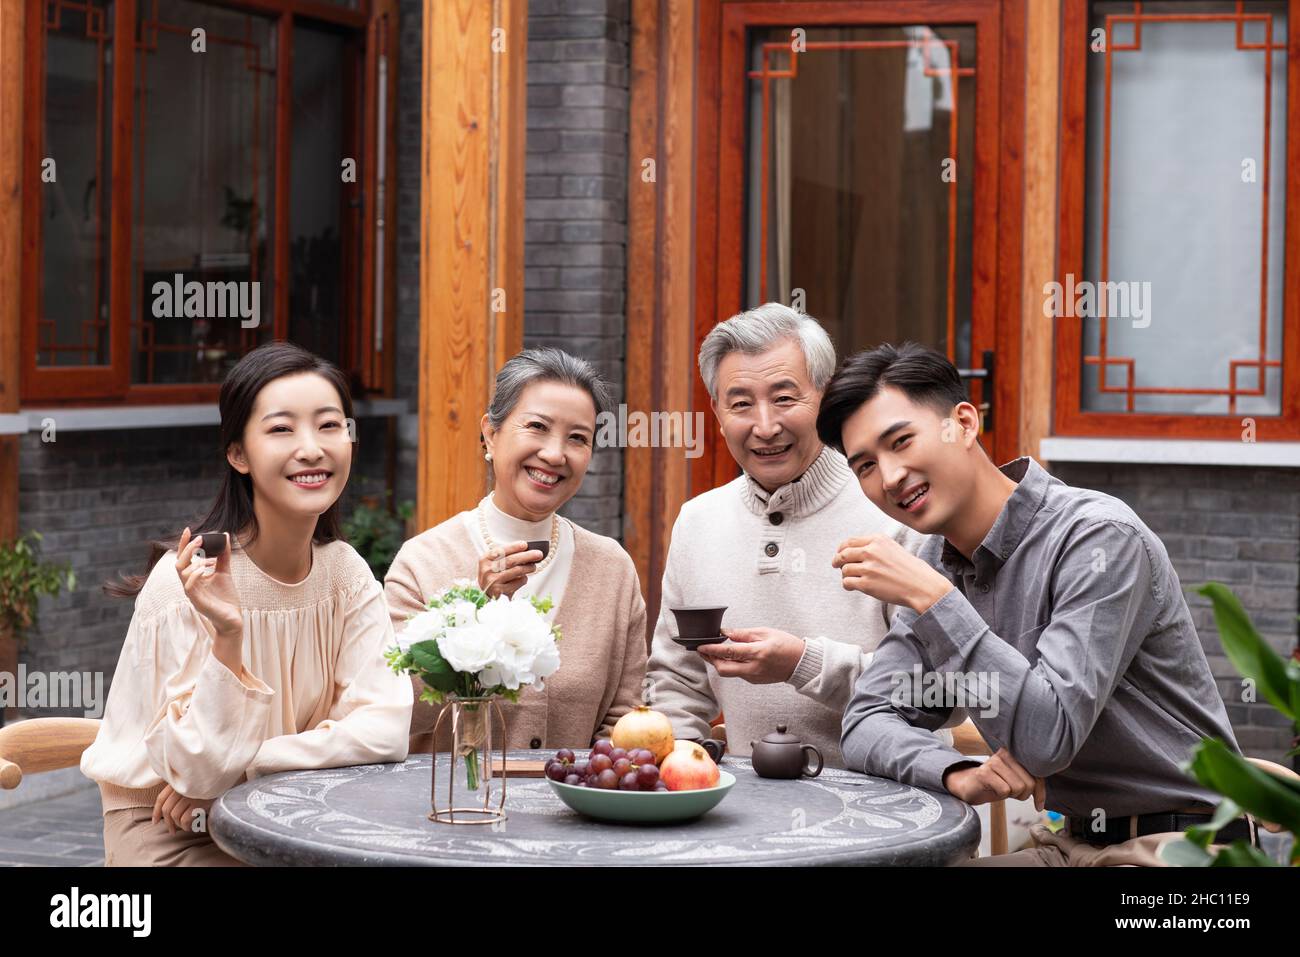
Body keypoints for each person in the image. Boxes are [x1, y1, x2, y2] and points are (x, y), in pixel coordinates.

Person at [817, 341, 1253, 866]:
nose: (889, 478)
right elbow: (866, 720)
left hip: (1180, 849)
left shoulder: (1098, 539)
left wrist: (934, 600)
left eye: (902, 441)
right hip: (1067, 843)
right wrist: (955, 771)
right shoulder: (938, 565)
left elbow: (1049, 740)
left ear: (963, 422)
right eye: (865, 466)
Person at [83, 341, 413, 866]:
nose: (311, 448)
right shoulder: (190, 579)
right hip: (171, 829)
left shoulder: (345, 573)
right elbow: (196, 773)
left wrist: (253, 764)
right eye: (281, 429)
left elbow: (385, 729)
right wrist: (229, 636)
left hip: (295, 815)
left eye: (330, 425)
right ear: (238, 453)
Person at [645, 303, 945, 768]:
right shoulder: (697, 521)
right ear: (718, 412)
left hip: (886, 807)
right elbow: (676, 682)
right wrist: (686, 763)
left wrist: (802, 663)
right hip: (743, 814)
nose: (765, 427)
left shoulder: (896, 508)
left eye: (785, 398)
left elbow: (937, 695)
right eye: (741, 403)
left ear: (825, 397)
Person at [385, 348, 647, 752]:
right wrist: (478, 609)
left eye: (578, 438)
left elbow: (625, 721)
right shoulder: (422, 562)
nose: (555, 454)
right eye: (538, 427)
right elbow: (402, 710)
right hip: (459, 810)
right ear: (491, 434)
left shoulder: (612, 570)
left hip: (573, 810)